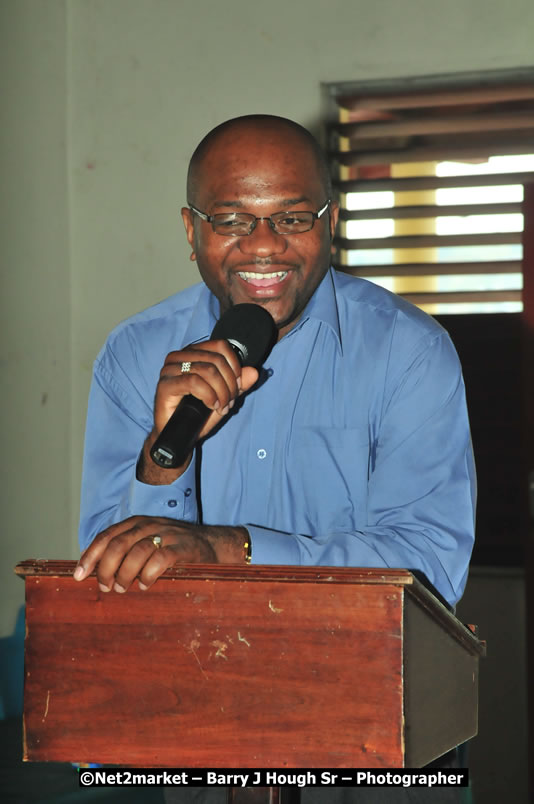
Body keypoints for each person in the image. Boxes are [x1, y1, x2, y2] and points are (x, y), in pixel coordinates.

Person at [74, 115, 476, 803]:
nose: (264, 246)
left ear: (331, 220)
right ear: (191, 228)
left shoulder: (409, 351)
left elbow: (430, 564)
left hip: (374, 736)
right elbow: (108, 566)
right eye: (232, 218)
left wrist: (230, 550)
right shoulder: (135, 354)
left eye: (292, 217)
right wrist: (163, 463)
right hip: (200, 730)